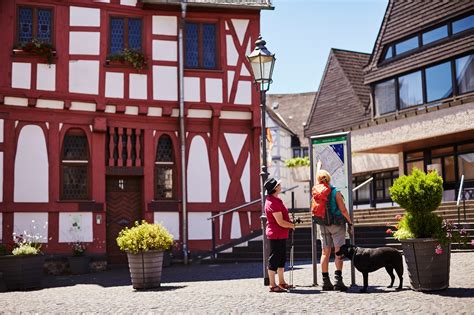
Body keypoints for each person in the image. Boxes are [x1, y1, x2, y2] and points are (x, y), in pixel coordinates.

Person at [314, 169, 353, 291]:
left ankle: (325, 282)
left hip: (323, 225)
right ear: (329, 179)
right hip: (337, 224)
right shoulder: (335, 192)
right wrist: (350, 222)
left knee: (325, 253)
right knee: (338, 252)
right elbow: (343, 210)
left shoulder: (316, 192)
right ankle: (338, 281)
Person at [264, 177, 296, 292]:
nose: (280, 186)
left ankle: (282, 282)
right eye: (278, 185)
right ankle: (272, 284)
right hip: (276, 234)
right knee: (274, 258)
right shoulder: (272, 202)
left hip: (281, 233)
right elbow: (280, 222)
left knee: (281, 258)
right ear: (274, 188)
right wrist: (291, 225)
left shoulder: (276, 200)